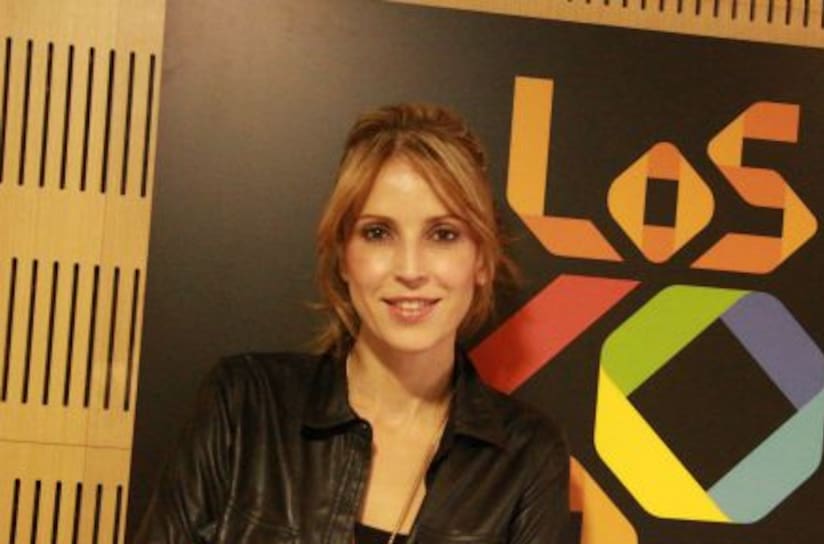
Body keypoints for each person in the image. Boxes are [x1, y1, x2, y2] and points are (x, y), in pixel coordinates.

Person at [136, 104, 570, 543]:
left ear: (482, 261)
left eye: (443, 234)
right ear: (343, 255)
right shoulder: (245, 406)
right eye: (378, 233)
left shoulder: (526, 458)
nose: (410, 269)